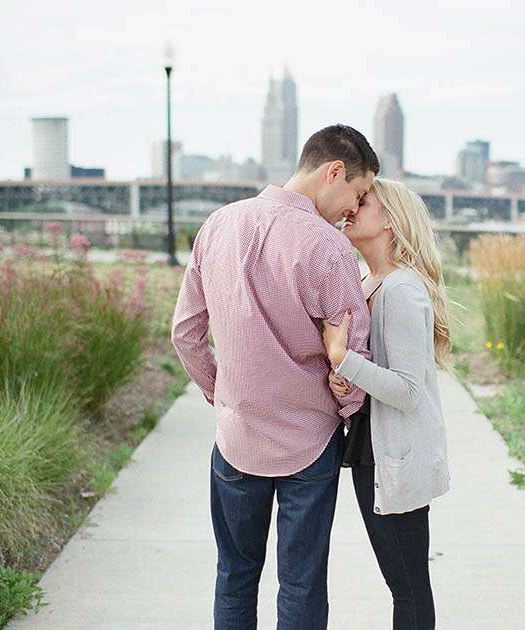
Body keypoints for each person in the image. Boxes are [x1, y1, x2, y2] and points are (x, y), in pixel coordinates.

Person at [171, 124, 379, 630]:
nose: (355, 208)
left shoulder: (218, 225)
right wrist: (349, 410)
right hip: (309, 443)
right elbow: (351, 356)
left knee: (235, 574)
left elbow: (185, 333)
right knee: (303, 582)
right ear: (334, 171)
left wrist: (224, 396)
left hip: (237, 438)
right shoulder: (329, 250)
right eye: (357, 192)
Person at [322, 178, 452, 629]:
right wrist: (346, 383)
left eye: (365, 201)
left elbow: (407, 389)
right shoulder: (368, 282)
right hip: (370, 450)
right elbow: (376, 372)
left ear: (391, 222)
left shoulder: (401, 289)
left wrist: (344, 359)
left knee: (408, 586)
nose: (353, 207)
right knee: (402, 582)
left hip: (393, 457)